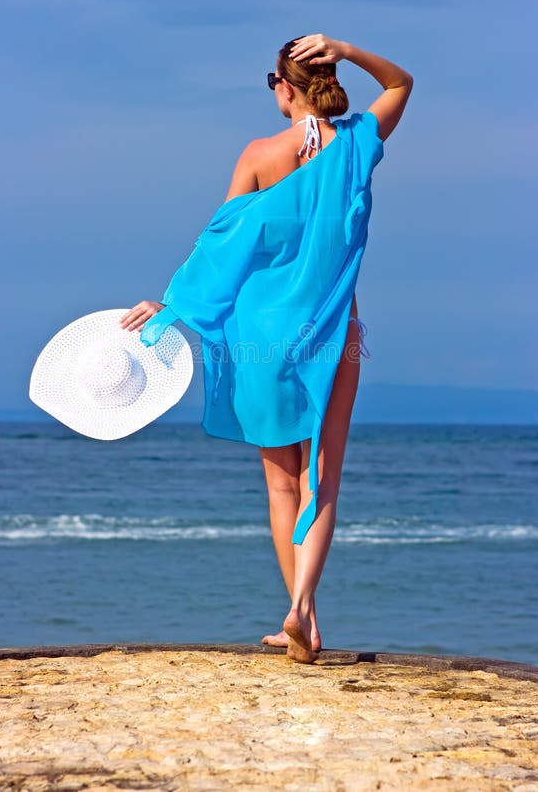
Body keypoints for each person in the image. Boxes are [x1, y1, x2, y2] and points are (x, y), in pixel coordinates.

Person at [121, 34, 413, 663]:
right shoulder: (359, 141)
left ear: (283, 86)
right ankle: (302, 605)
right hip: (338, 333)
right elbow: (401, 83)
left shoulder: (259, 155)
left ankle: (298, 621)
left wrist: (171, 304)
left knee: (282, 486)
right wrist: (347, 48)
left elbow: (219, 245)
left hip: (260, 339)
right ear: (325, 77)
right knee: (323, 477)